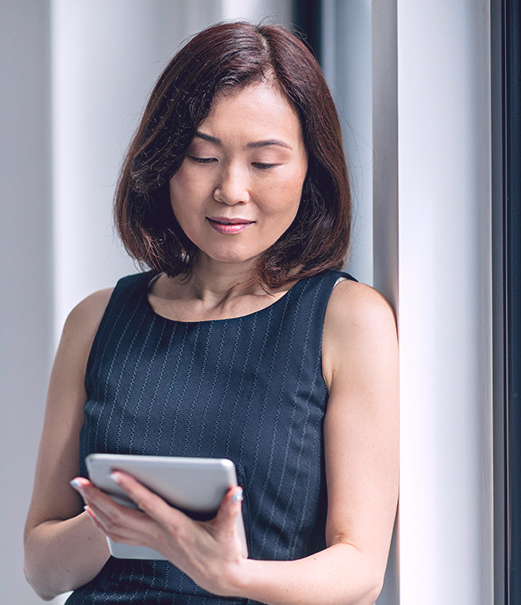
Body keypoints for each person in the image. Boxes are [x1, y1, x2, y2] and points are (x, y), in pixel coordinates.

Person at [23, 21, 398, 604]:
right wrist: (124, 518)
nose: (230, 189)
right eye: (202, 156)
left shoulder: (347, 319)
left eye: (265, 162)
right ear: (164, 162)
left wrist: (231, 576)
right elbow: (44, 570)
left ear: (311, 169)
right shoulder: (97, 321)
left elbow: (360, 570)